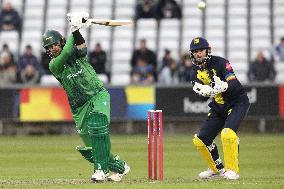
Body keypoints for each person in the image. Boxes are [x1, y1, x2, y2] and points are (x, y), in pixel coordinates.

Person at [42, 12, 130, 182]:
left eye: (54, 44)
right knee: (91, 148)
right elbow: (66, 52)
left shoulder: (75, 51)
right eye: (49, 47)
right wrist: (74, 28)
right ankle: (121, 167)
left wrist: (76, 31)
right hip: (78, 106)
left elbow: (81, 47)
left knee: (98, 126)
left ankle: (100, 170)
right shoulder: (54, 65)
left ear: (60, 41)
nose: (53, 49)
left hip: (96, 94)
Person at [189, 37, 250, 180]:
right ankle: (216, 169)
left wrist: (224, 85)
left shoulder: (221, 62)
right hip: (218, 106)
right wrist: (204, 91)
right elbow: (203, 97)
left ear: (207, 50)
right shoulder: (194, 72)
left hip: (237, 102)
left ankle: (232, 170)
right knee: (200, 140)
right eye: (195, 51)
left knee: (227, 133)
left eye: (201, 50)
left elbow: (234, 84)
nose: (199, 54)